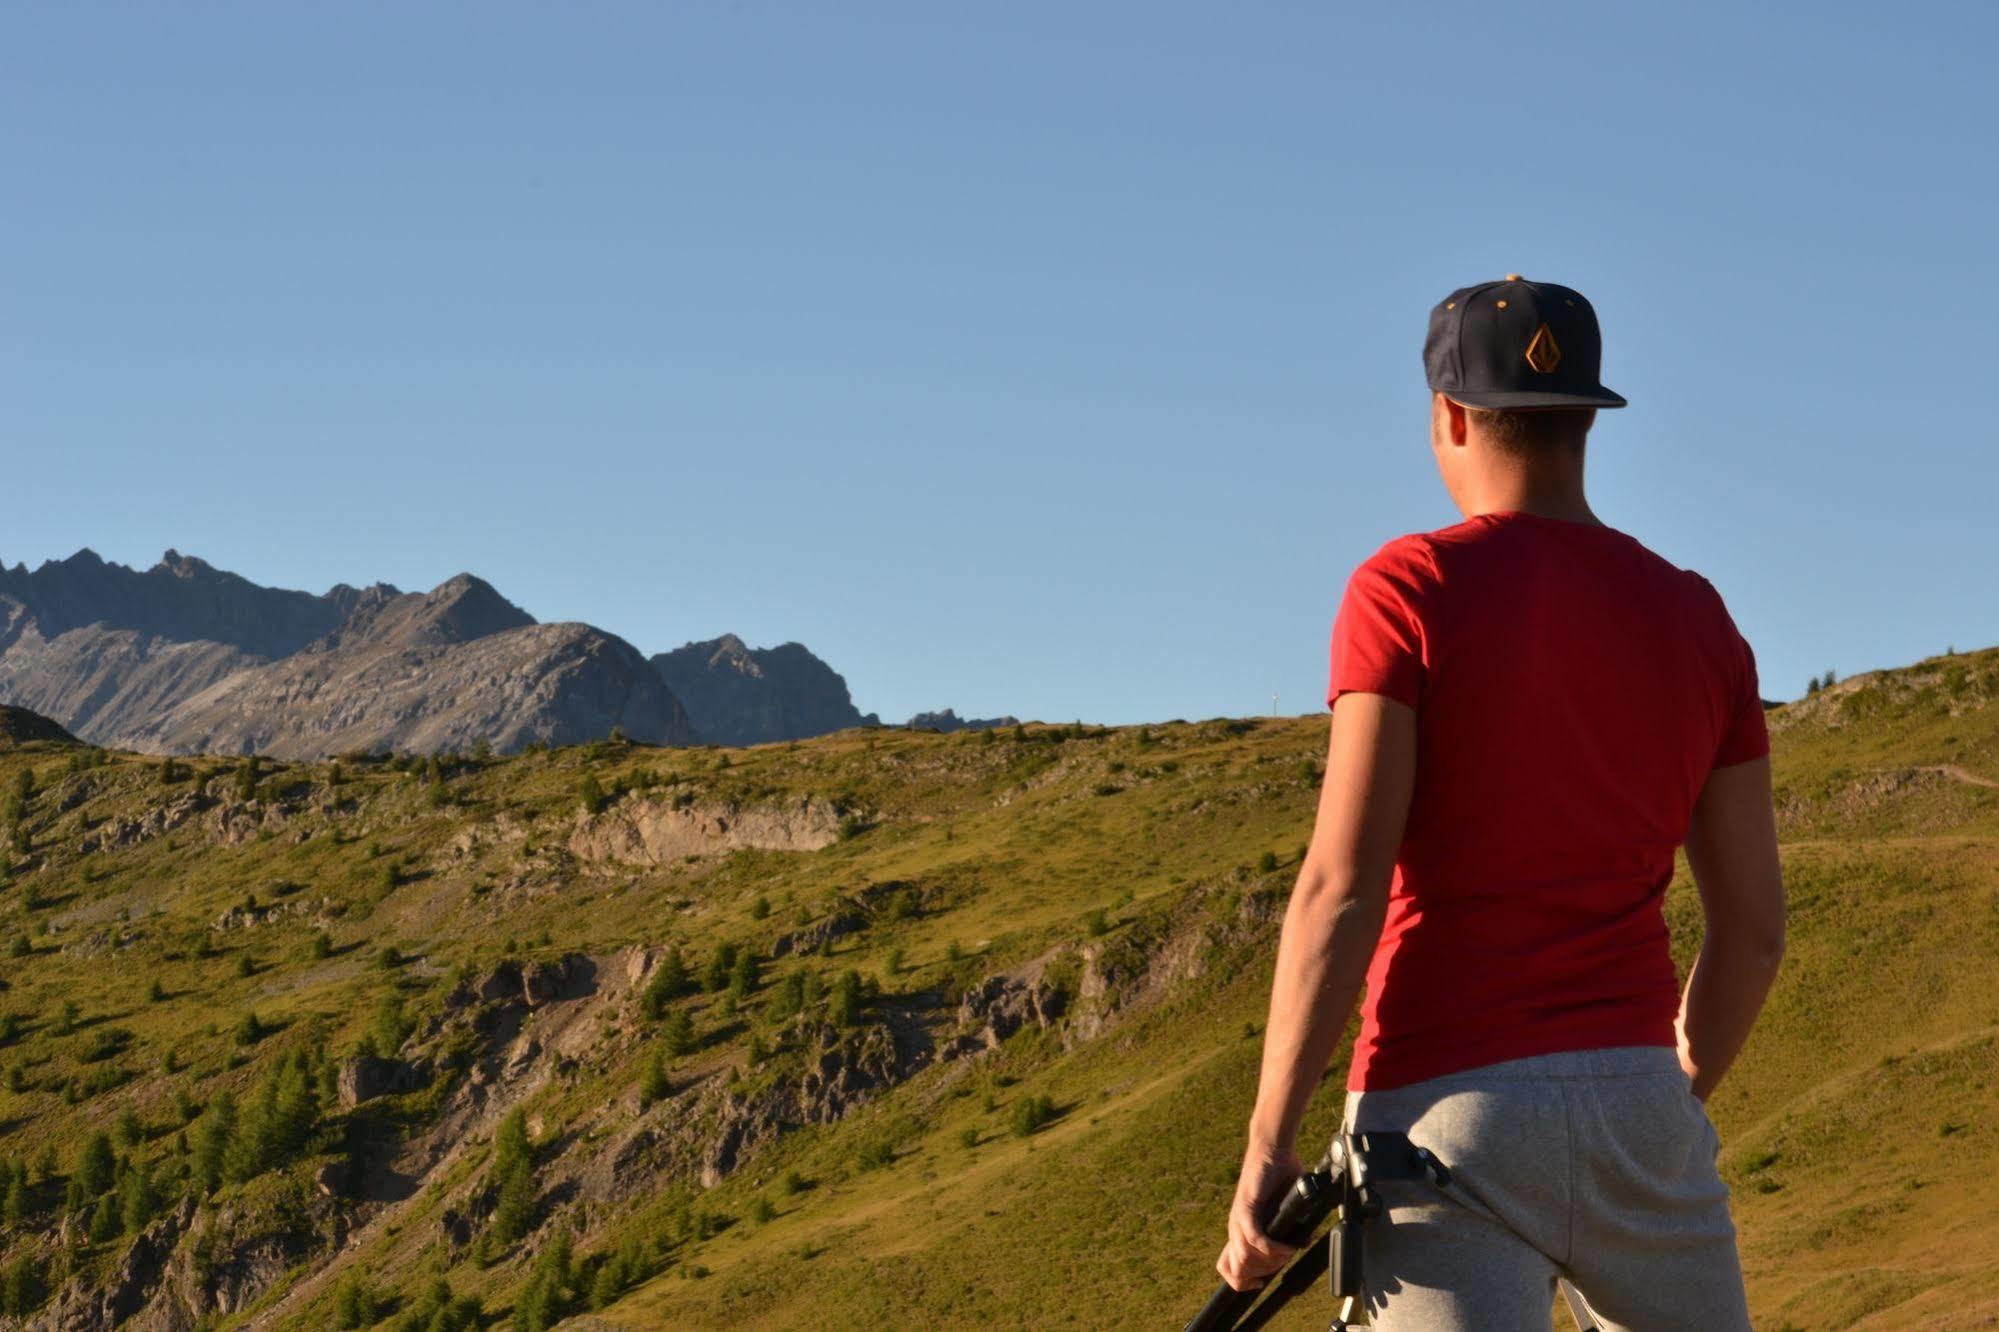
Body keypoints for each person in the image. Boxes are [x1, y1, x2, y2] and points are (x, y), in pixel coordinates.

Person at [1211, 276, 1785, 1330]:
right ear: (1586, 420)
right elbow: (1750, 932)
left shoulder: (1407, 589)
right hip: (1641, 1107)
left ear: (1449, 414)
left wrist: (1267, 1147)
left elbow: (1343, 889)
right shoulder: (1699, 618)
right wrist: (1658, 1105)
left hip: (1442, 1114)